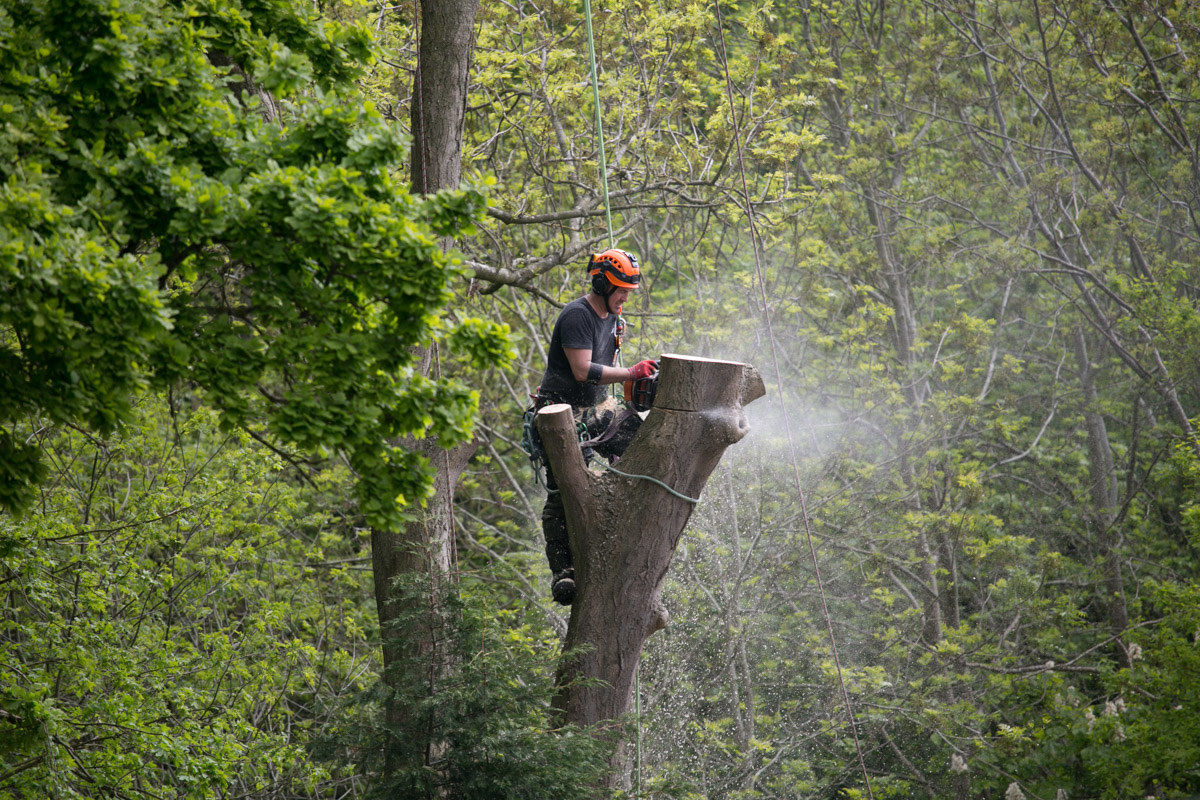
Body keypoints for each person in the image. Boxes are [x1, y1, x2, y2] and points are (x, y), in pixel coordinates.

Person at [535, 248, 658, 605]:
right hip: (561, 414)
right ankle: (563, 571)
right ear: (603, 283)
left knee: (641, 439)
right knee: (564, 490)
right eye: (620, 290)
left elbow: (605, 374)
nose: (624, 297)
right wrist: (631, 373)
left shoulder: (613, 318)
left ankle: (621, 526)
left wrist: (638, 381)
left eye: (628, 292)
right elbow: (582, 370)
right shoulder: (578, 316)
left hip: (597, 408)